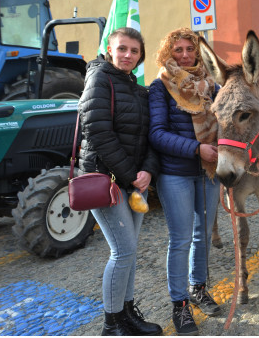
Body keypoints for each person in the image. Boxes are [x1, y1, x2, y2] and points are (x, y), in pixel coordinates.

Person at [78, 27, 162, 335]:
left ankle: (127, 315)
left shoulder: (139, 90)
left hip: (132, 184)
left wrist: (148, 172)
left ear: (140, 56)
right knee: (123, 251)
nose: (128, 55)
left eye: (134, 51)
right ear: (109, 49)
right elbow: (98, 131)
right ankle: (111, 324)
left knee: (129, 251)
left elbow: (151, 137)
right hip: (105, 181)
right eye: (122, 48)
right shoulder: (99, 78)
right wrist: (131, 175)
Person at [148, 28, 222, 335]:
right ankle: (179, 305)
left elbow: (224, 121)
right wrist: (196, 148)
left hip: (209, 172)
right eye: (177, 50)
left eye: (190, 49)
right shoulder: (160, 86)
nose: (185, 55)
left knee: (203, 234)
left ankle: (198, 288)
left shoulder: (212, 85)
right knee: (180, 240)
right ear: (168, 53)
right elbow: (156, 133)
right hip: (175, 172)